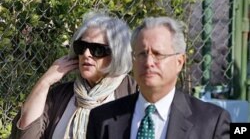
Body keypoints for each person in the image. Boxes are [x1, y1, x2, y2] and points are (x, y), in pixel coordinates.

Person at [86, 16, 231, 139]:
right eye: (142, 54)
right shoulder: (103, 118)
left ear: (179, 62)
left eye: (158, 54)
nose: (149, 63)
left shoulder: (211, 122)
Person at [10, 11, 137, 139]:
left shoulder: (134, 93)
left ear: (117, 55)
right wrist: (45, 82)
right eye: (81, 47)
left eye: (97, 49)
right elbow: (26, 135)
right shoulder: (60, 96)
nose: (86, 54)